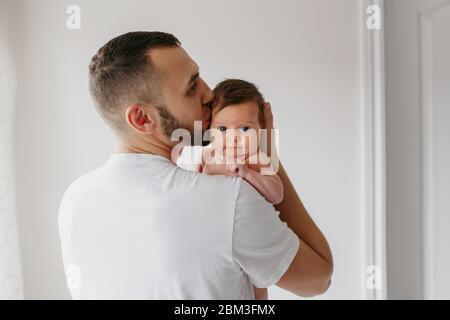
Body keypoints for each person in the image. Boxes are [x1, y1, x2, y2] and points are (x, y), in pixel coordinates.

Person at [58, 31, 333, 299]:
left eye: (199, 78)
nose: (210, 94)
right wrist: (264, 151)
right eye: (191, 88)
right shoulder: (229, 198)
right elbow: (318, 279)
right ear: (142, 118)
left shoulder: (74, 199)